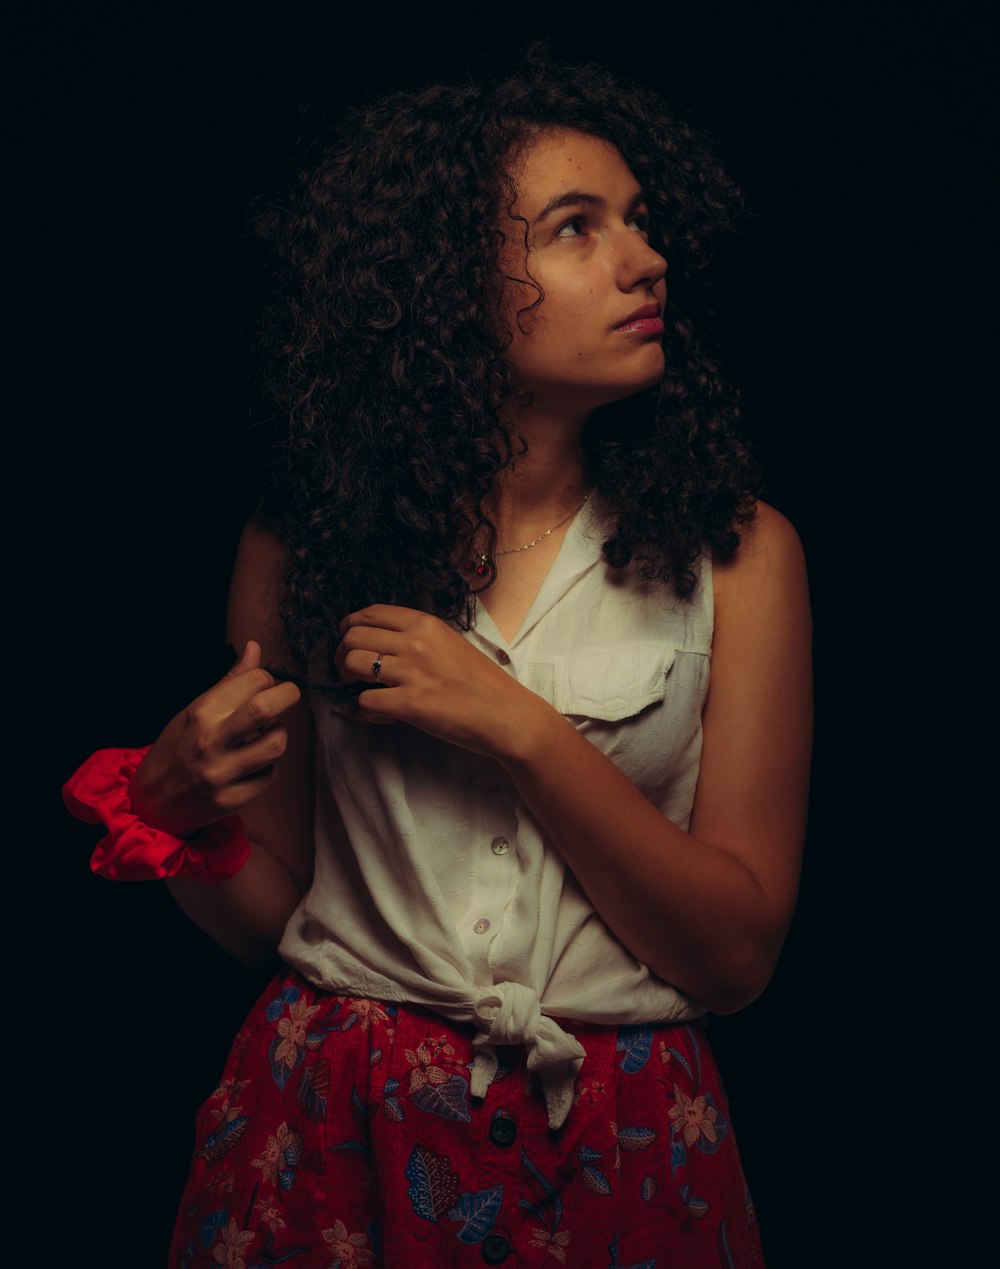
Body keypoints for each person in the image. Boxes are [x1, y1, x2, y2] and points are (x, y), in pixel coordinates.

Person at [64, 52, 811, 1268]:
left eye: (640, 221)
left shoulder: (742, 557)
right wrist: (168, 811)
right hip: (332, 1125)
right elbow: (273, 911)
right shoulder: (298, 545)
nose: (643, 258)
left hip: (621, 1140)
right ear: (445, 285)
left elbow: (734, 956)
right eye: (577, 228)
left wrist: (517, 727)